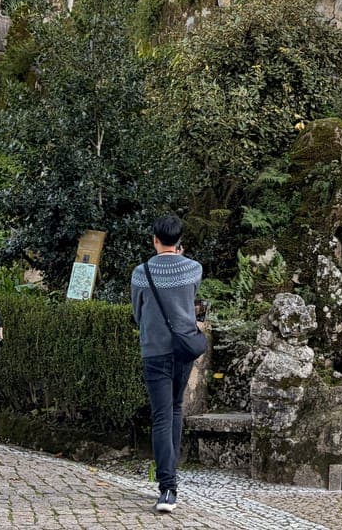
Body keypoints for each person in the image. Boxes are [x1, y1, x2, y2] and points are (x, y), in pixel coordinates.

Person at [129, 214, 202, 515]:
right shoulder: (193, 269)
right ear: (179, 241)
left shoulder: (141, 272)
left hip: (155, 350)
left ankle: (166, 487)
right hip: (184, 349)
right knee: (174, 409)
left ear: (154, 240)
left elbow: (137, 313)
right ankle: (171, 483)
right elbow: (190, 301)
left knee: (161, 414)